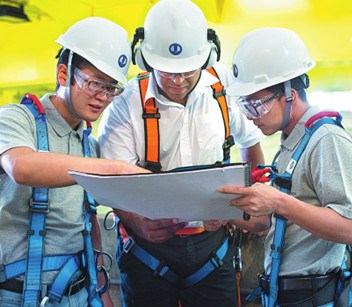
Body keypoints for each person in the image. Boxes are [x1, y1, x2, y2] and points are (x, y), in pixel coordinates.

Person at [98, 0, 265, 306]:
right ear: (145, 59)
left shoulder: (224, 87)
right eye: (168, 72)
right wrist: (136, 222)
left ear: (207, 56)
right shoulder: (125, 106)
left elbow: (251, 142)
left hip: (214, 250)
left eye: (188, 71)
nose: (178, 81)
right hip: (147, 254)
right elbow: (113, 182)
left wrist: (248, 206)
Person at [0, 17, 147, 307]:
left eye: (111, 88)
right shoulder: (16, 119)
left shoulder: (88, 145)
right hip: (17, 295)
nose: (103, 97)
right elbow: (22, 167)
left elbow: (87, 219)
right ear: (64, 74)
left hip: (80, 292)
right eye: (94, 83)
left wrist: (103, 294)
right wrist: (116, 168)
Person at [218, 27, 352, 306]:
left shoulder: (327, 140)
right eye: (245, 105)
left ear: (289, 93)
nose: (250, 117)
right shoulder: (292, 142)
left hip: (312, 295)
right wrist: (218, 213)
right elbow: (269, 221)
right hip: (283, 293)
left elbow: (351, 229)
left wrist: (278, 202)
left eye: (256, 105)